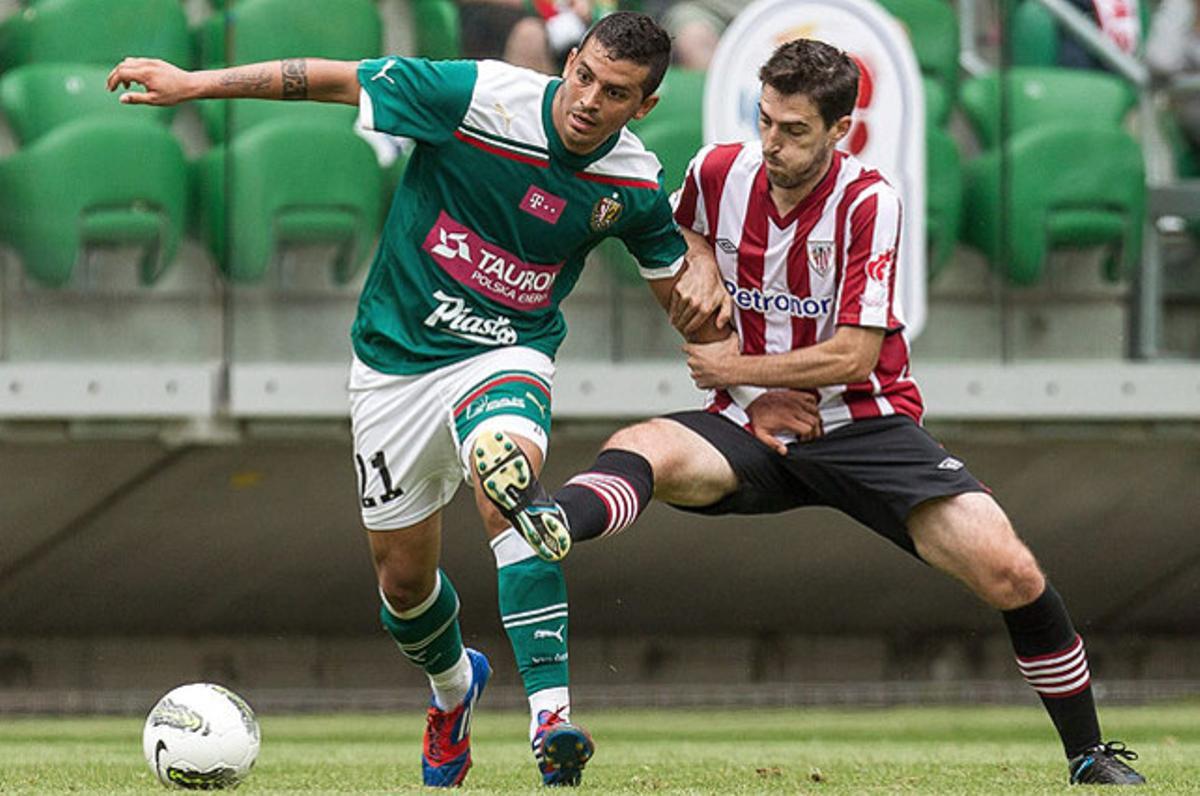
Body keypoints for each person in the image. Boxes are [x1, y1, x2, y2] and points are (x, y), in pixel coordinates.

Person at [474, 38, 1149, 787]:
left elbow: (854, 357)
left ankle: (1088, 754)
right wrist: (700, 266)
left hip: (867, 426)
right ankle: (555, 521)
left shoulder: (871, 202)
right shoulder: (718, 171)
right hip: (747, 422)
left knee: (1011, 572)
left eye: (794, 131)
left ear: (840, 130)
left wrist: (735, 368)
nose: (772, 142)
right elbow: (667, 234)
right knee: (644, 446)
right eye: (764, 120)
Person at [107, 11, 727, 788]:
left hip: (505, 357)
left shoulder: (631, 182)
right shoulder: (479, 96)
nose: (588, 101)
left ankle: (552, 720)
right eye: (584, 77)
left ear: (645, 107)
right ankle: (453, 690)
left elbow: (683, 291)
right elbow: (335, 77)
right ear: (569, 66)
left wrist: (699, 260)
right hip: (394, 364)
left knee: (509, 481)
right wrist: (195, 83)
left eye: (615, 93)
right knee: (402, 588)